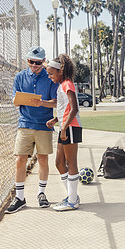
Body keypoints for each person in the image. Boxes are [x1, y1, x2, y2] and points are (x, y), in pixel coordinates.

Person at [6, 46, 59, 214]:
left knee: (43, 159)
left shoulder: (49, 78)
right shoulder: (20, 77)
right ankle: (20, 197)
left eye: (38, 62)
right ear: (27, 61)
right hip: (25, 123)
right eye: (31, 62)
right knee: (20, 159)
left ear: (43, 61)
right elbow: (15, 101)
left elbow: (55, 102)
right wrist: (22, 100)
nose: (34, 65)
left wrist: (42, 103)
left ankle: (41, 193)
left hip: (44, 124)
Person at [45, 54, 82, 211]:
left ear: (61, 71)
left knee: (70, 162)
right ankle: (71, 195)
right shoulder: (62, 85)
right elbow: (65, 109)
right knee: (59, 162)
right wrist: (56, 120)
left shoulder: (67, 84)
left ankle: (72, 201)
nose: (49, 76)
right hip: (66, 126)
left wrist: (64, 128)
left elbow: (74, 109)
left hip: (71, 127)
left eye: (51, 73)